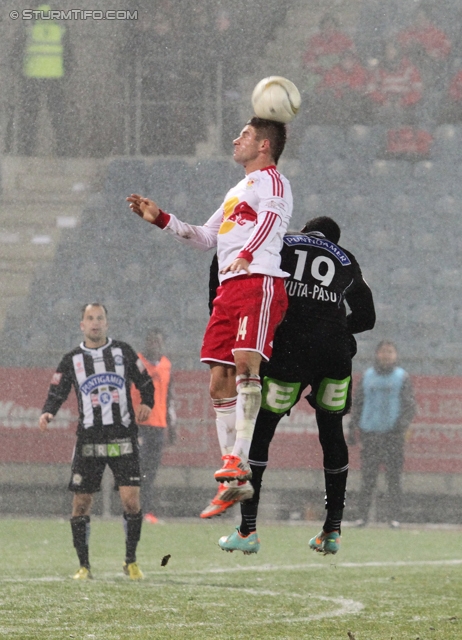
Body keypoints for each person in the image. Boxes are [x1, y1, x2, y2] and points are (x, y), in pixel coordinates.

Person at [127, 117, 292, 498]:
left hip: (260, 281)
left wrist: (249, 253)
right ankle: (233, 478)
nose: (236, 139)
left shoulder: (275, 183)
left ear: (264, 145)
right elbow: (205, 238)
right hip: (229, 289)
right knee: (219, 380)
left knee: (246, 366)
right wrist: (162, 219)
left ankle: (240, 458)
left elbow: (271, 221)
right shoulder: (237, 189)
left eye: (245, 135)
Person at [209, 217, 376, 556]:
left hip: (290, 352)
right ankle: (332, 530)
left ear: (306, 230)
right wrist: (336, 328)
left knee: (260, 433)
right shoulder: (346, 257)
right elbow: (368, 317)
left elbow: (235, 270)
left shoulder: (283, 243)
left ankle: (248, 530)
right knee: (332, 436)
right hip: (335, 356)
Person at [38, 303, 154, 580]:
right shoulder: (72, 359)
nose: (95, 323)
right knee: (81, 502)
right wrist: (48, 411)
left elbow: (146, 381)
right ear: (82, 325)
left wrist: (147, 403)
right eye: (90, 318)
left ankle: (131, 561)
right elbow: (58, 389)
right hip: (89, 439)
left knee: (131, 501)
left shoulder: (123, 352)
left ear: (107, 323)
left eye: (100, 318)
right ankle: (84, 566)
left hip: (123, 436)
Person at [348, 341, 416, 529]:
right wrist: (353, 427)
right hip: (370, 434)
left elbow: (410, 406)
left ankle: (394, 518)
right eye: (383, 351)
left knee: (393, 478)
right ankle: (362, 517)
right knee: (368, 478)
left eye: (390, 351)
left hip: (393, 436)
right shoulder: (368, 376)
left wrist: (400, 427)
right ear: (377, 354)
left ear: (396, 355)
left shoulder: (402, 377)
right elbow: (358, 402)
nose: (386, 355)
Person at [131, 329, 177, 524]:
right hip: (139, 424)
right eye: (151, 342)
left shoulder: (166, 366)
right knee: (137, 469)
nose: (154, 345)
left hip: (158, 426)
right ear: (146, 343)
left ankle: (145, 511)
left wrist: (172, 427)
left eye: (158, 342)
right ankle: (133, 510)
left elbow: (169, 398)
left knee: (151, 471)